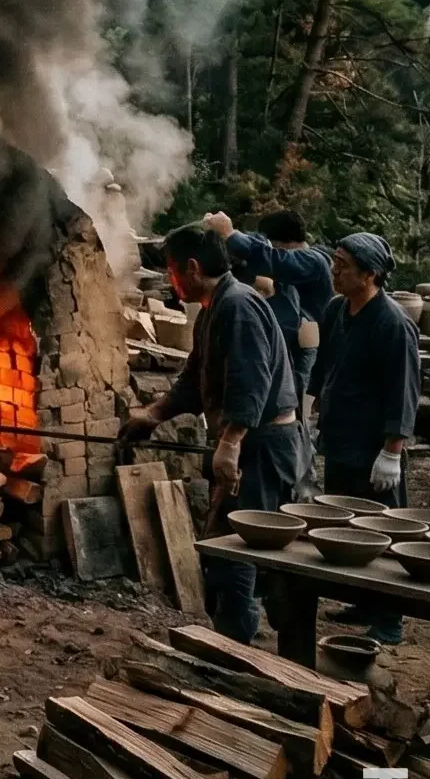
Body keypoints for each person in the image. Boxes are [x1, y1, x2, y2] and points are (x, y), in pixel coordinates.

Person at [122, 224, 304, 645]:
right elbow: (192, 380)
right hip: (244, 443)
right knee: (228, 547)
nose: (171, 281)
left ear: (192, 267)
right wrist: (153, 414)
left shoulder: (238, 307)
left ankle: (242, 648)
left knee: (240, 549)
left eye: (171, 271)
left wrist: (230, 443)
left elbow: (251, 385)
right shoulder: (213, 309)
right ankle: (241, 637)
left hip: (262, 447)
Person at [313, 231, 421, 643]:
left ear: (370, 274)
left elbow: (404, 390)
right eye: (334, 262)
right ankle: (362, 599)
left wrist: (393, 450)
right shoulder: (337, 310)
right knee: (348, 524)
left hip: (375, 446)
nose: (335, 271)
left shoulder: (393, 324)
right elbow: (324, 367)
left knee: (383, 528)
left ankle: (390, 617)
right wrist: (313, 408)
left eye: (343, 265)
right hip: (342, 438)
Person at [209, 209, 333, 400]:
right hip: (287, 346)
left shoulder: (313, 261)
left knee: (291, 404)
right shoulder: (293, 264)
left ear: (278, 242)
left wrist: (230, 234)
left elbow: (271, 260)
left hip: (302, 353)